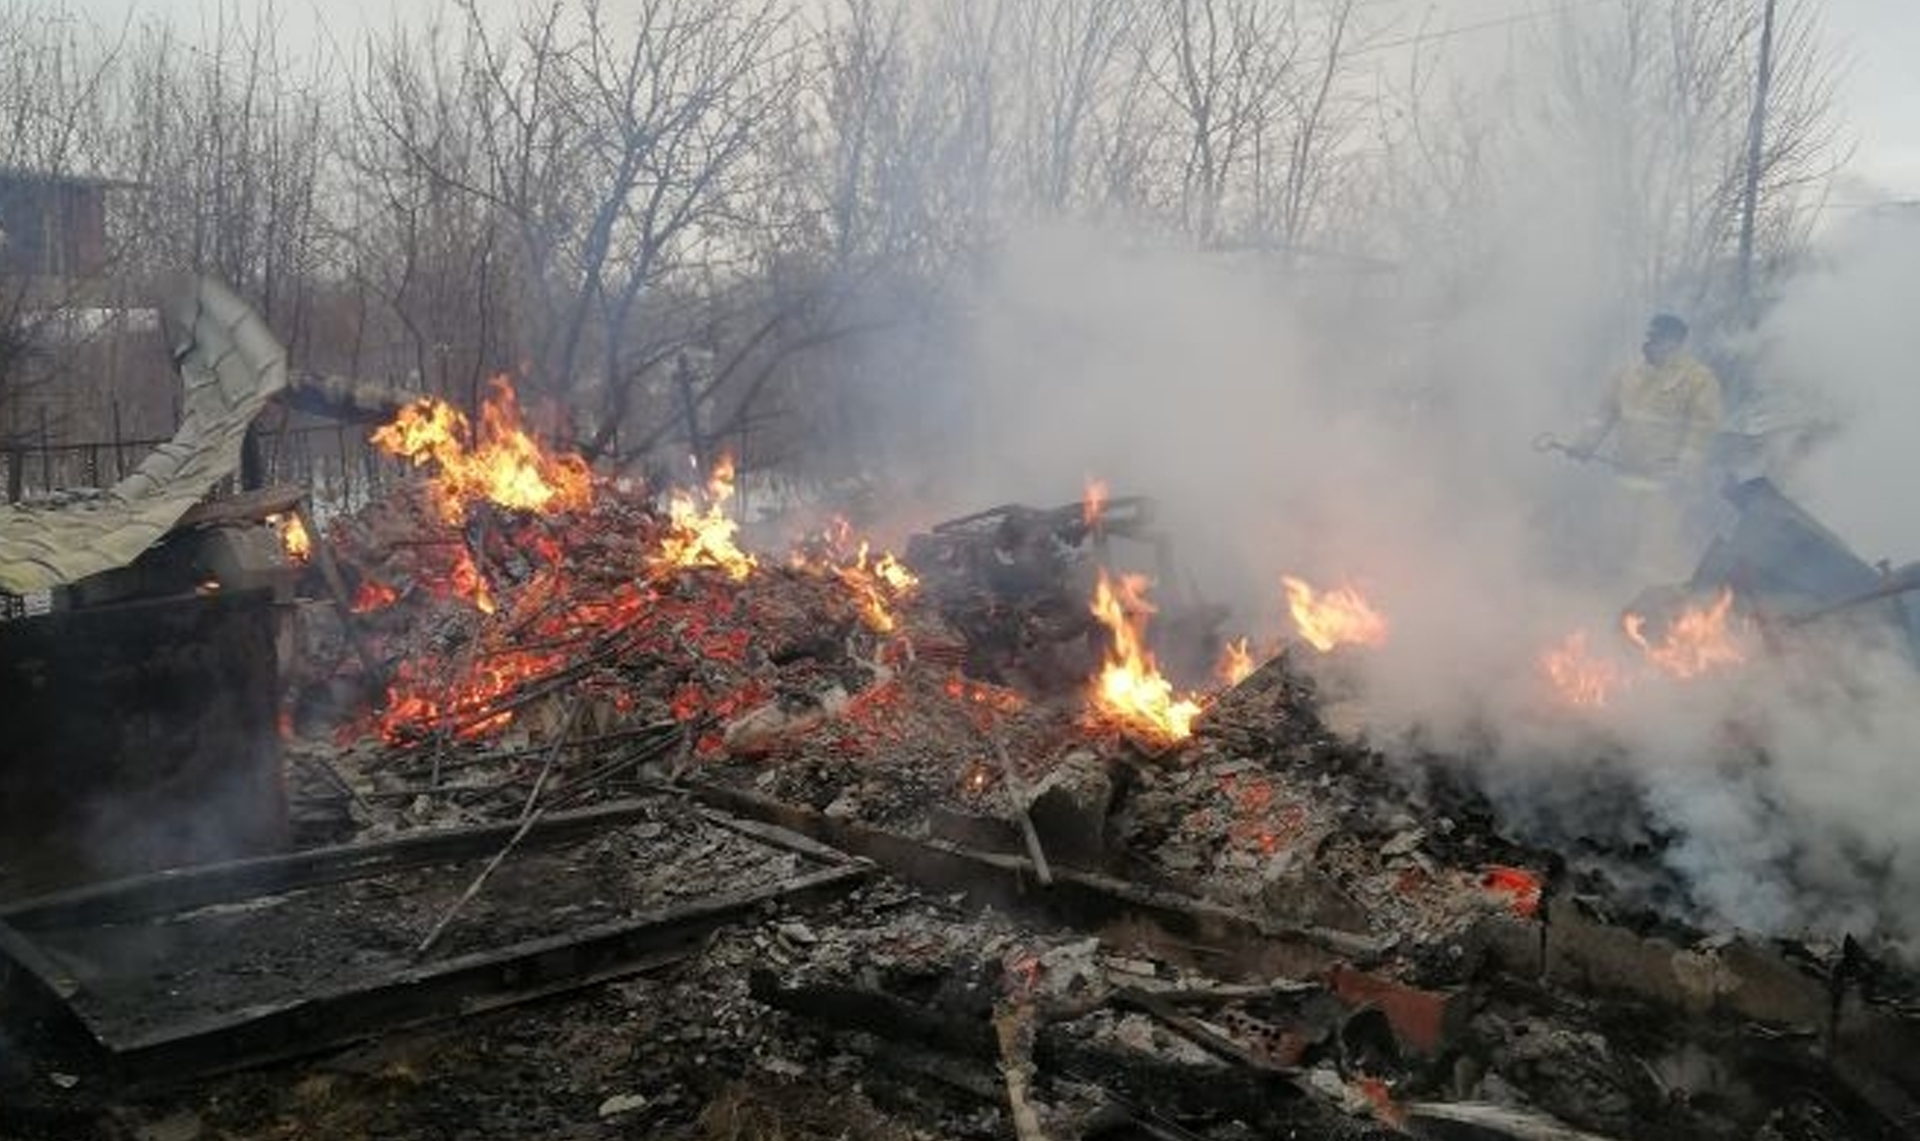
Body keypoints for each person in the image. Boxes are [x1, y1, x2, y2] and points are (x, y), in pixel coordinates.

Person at [1567, 313, 1725, 582]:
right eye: (1649, 337)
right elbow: (1603, 414)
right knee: (1614, 540)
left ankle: (1645, 601)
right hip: (1624, 475)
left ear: (1676, 343)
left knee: (1654, 549)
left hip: (1666, 485)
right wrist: (1584, 444)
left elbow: (1701, 431)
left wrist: (1684, 472)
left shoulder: (1698, 380)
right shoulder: (1627, 375)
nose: (1648, 344)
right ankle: (1605, 594)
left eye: (1657, 338)